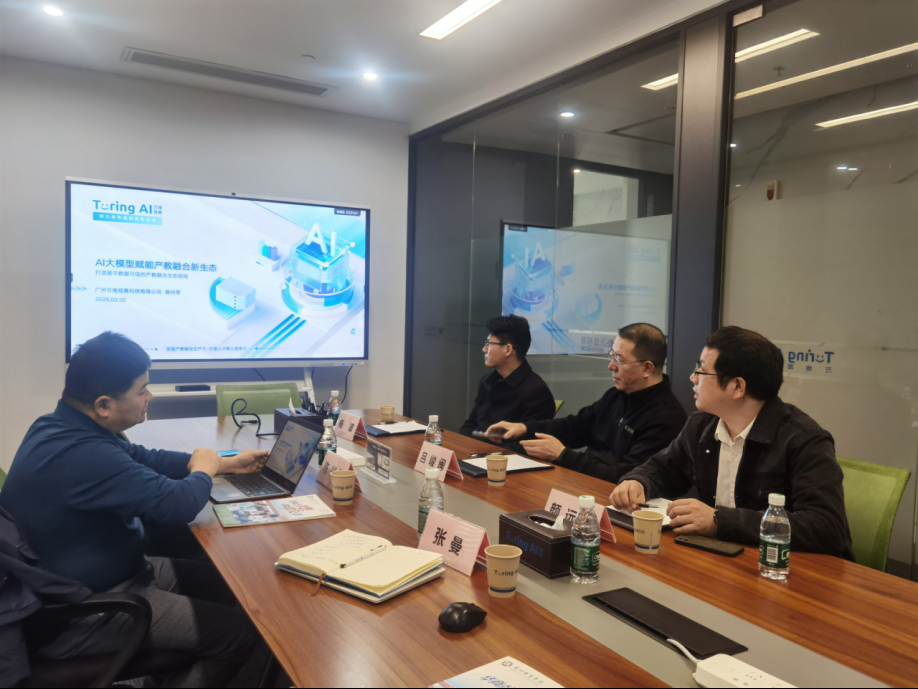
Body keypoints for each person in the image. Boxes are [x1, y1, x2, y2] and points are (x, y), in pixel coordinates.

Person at [0, 332, 267, 687]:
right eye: (142, 390)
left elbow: (143, 457)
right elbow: (179, 504)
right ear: (104, 405)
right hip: (87, 610)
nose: (149, 396)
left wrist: (224, 463)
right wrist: (204, 470)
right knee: (237, 635)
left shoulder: (57, 425)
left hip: (105, 577)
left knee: (227, 585)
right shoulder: (85, 456)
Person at [610, 326, 854, 560]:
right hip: (726, 558)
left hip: (788, 568)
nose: (693, 377)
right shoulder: (702, 425)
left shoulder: (803, 439)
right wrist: (638, 482)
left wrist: (719, 521)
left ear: (737, 386)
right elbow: (664, 469)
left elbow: (827, 527)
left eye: (702, 370)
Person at [486, 323, 686, 482]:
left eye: (619, 360)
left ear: (647, 368)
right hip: (584, 483)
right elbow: (574, 427)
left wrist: (562, 454)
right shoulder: (615, 396)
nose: (611, 366)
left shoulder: (666, 418)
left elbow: (626, 477)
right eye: (612, 356)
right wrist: (523, 428)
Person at [460, 315, 555, 450]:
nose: (484, 349)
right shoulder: (487, 380)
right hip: (474, 451)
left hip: (504, 459)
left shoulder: (536, 392)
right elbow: (471, 423)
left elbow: (526, 445)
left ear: (508, 349)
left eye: (489, 344)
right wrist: (463, 445)